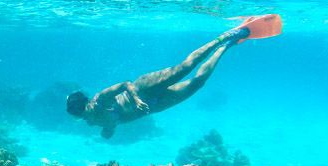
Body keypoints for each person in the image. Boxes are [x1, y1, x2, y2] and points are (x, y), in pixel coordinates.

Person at [66, 14, 283, 139]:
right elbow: (113, 121)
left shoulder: (98, 101)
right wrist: (108, 131)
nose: (81, 118)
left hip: (143, 90)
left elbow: (125, 84)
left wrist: (136, 99)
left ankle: (225, 36)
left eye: (77, 113)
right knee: (198, 83)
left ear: (80, 109)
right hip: (155, 105)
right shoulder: (92, 121)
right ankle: (228, 46)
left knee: (185, 67)